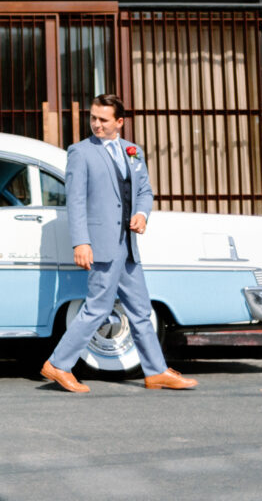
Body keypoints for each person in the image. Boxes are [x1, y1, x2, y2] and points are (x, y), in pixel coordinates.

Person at [40, 93, 198, 392]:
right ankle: (58, 364)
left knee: (140, 309)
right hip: (100, 243)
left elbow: (144, 191)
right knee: (98, 308)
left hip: (127, 245)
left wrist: (141, 213)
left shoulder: (133, 151)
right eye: (93, 118)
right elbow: (75, 201)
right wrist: (81, 242)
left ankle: (156, 371)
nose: (96, 124)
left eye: (103, 119)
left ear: (120, 122)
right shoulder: (80, 152)